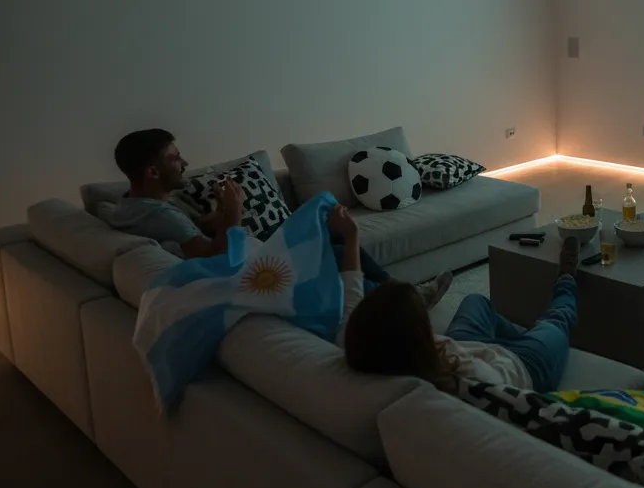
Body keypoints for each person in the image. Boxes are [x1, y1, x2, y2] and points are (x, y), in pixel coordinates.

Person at [104, 129, 452, 305]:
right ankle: (399, 299)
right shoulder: (159, 214)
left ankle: (398, 292)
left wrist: (217, 213)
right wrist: (233, 213)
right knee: (330, 244)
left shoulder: (129, 205)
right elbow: (213, 256)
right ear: (152, 170)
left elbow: (198, 232)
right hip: (245, 271)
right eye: (174, 158)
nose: (183, 163)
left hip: (252, 251)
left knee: (327, 229)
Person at [342, 237, 582, 392]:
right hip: (521, 366)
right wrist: (472, 353)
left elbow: (352, 301)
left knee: (475, 300)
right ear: (417, 333)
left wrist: (349, 238)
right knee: (558, 318)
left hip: (467, 344)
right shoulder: (465, 378)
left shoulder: (362, 346)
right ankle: (567, 275)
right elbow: (502, 382)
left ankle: (529, 335)